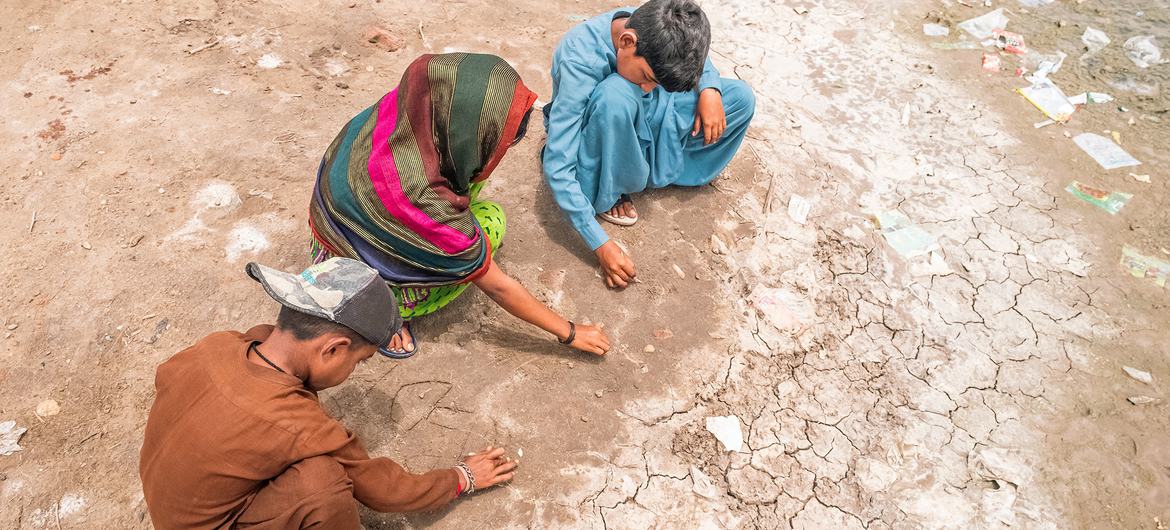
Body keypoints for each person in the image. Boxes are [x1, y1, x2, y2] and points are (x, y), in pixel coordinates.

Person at [139, 257, 518, 528]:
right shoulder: (297, 424)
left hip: (172, 503)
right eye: (359, 361)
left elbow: (167, 379)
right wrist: (461, 477)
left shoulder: (216, 345)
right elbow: (384, 490)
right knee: (321, 483)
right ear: (333, 349)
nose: (353, 371)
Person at [309, 52, 611, 357]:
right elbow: (498, 287)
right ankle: (387, 311)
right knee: (492, 221)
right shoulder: (426, 203)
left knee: (466, 177)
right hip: (366, 279)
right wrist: (570, 332)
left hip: (329, 237)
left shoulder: (404, 107)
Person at [542, 0, 756, 289]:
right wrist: (600, 244)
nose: (648, 85)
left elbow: (692, 57)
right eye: (647, 77)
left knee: (741, 97)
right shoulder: (579, 60)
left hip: (648, 115)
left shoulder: (655, 26)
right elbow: (557, 165)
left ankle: (643, 170)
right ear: (627, 42)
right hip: (605, 126)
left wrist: (710, 89)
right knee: (616, 94)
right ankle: (612, 183)